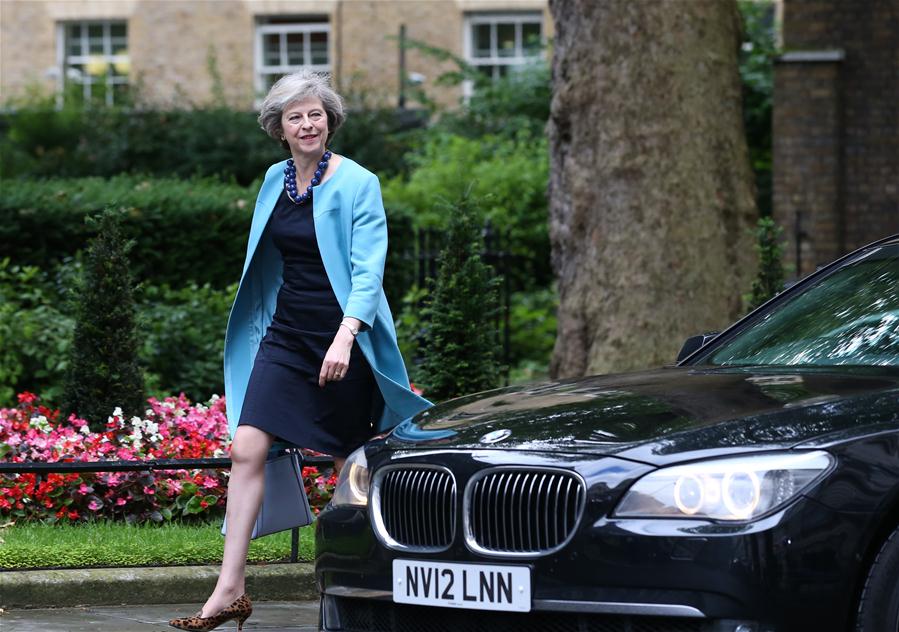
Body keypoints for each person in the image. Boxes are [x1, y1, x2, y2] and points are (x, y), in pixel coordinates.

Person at [168, 70, 431, 632]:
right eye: (296, 117)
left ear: (329, 120)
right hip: (286, 338)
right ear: (279, 128)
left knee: (347, 467)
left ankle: (368, 588)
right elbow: (266, 264)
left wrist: (345, 336)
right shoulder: (274, 180)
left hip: (344, 341)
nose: (308, 124)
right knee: (246, 447)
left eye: (316, 114)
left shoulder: (359, 181)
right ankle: (230, 588)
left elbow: (368, 272)